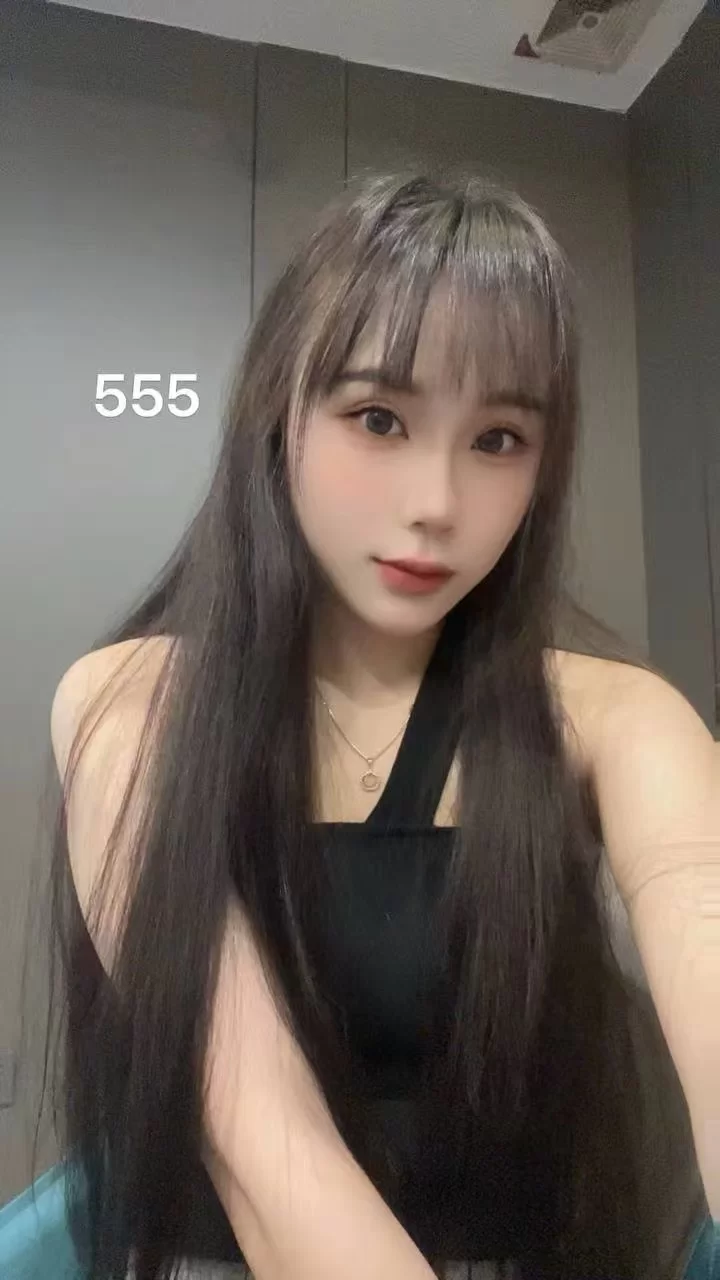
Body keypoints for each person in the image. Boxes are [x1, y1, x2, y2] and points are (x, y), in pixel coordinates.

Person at [43, 172, 719, 1280]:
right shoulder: (137, 699)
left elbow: (703, 910)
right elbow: (260, 1134)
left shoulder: (613, 715)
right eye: (378, 418)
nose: (436, 503)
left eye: (498, 438)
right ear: (279, 411)